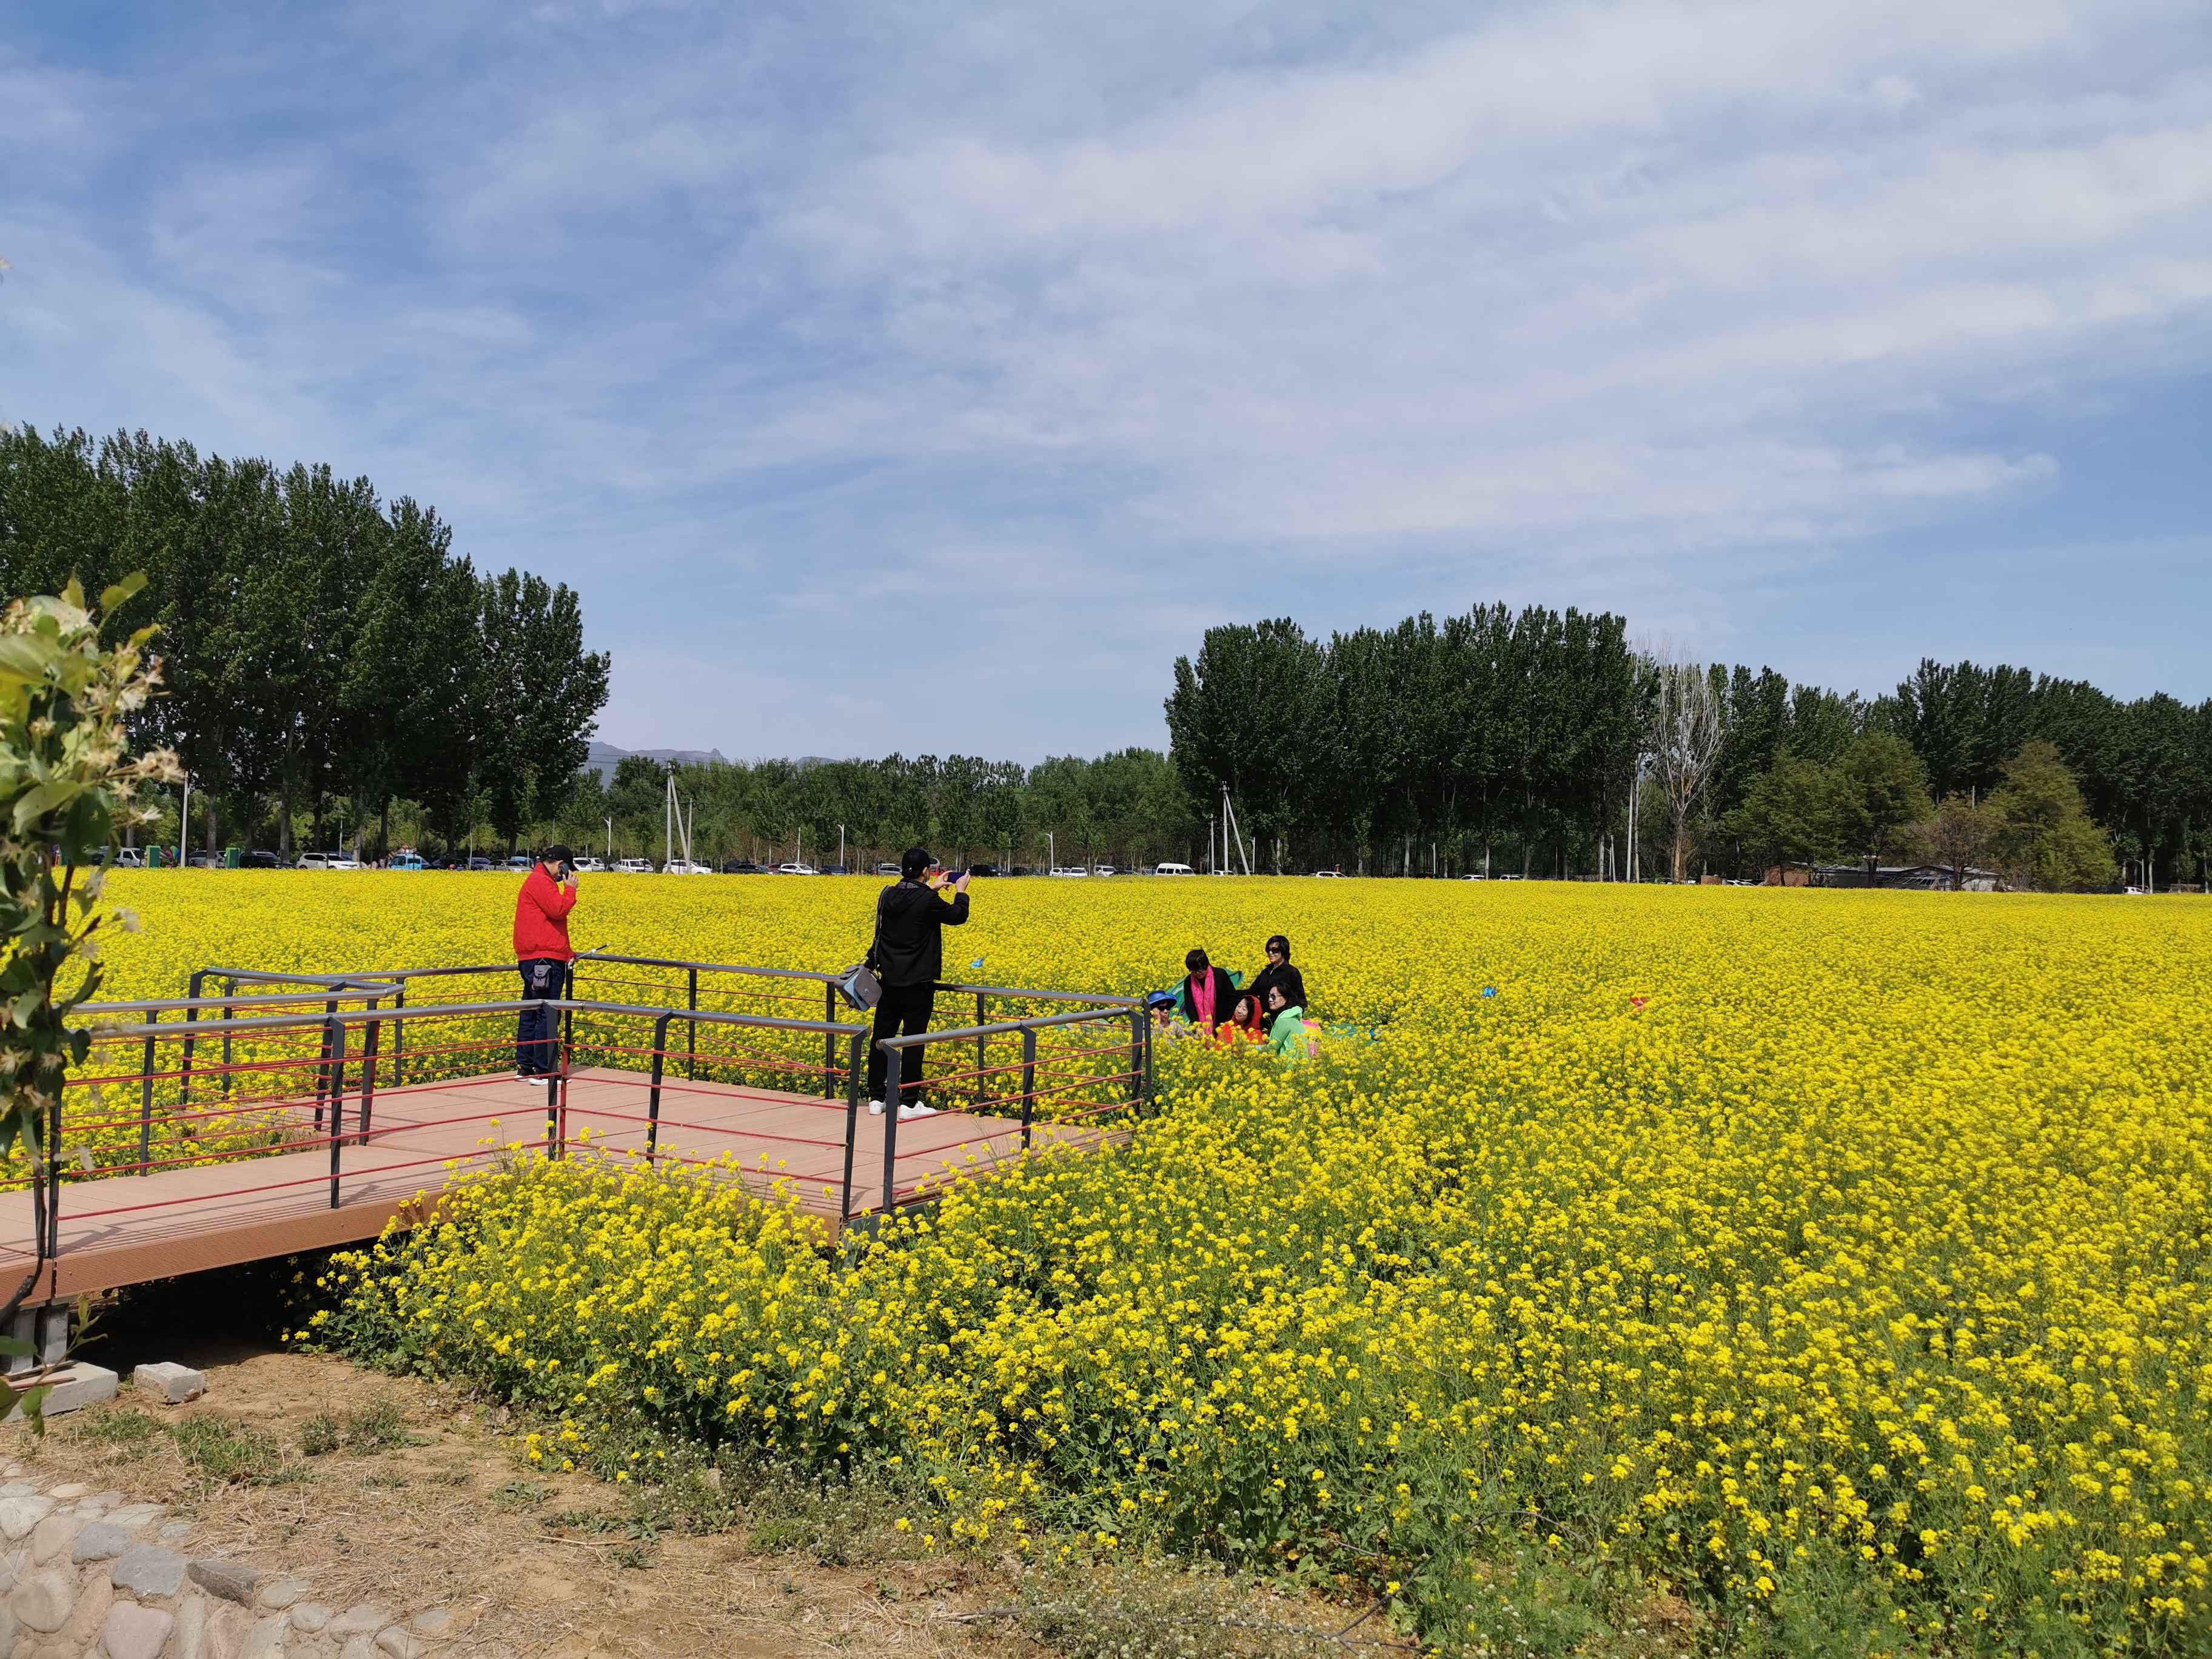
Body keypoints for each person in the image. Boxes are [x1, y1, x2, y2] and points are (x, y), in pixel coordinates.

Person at [865, 846, 971, 1121]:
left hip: (888, 982)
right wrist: (961, 889)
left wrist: (931, 888)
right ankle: (909, 1102)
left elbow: (910, 904)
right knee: (914, 1041)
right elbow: (957, 916)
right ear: (927, 871)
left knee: (881, 1039)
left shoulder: (887, 894)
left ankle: (876, 1098)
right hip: (917, 984)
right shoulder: (927, 900)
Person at [512, 843, 578, 1085]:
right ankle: (544, 1071)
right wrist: (570, 890)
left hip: (538, 958)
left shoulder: (538, 880)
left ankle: (526, 1068)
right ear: (562, 865)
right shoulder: (541, 882)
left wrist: (567, 951)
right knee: (546, 1012)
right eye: (566, 870)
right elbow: (558, 910)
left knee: (532, 1011)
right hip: (544, 960)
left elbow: (547, 924)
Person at [1247, 934, 1308, 1017]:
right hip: (1262, 1019)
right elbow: (1252, 992)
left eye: (1274, 950)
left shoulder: (1291, 972)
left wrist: (1290, 1016)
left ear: (1284, 951)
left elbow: (1301, 1000)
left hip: (1281, 1020)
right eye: (1268, 950)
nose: (1270, 953)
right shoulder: (1266, 972)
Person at [1178, 948, 1237, 1033]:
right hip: (1201, 1028)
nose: (1198, 973)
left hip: (1224, 1022)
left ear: (1206, 964)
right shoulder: (1188, 981)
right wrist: (1197, 1024)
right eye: (1194, 971)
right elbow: (1189, 1005)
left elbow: (1232, 998)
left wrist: (1228, 1020)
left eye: (1200, 970)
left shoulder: (1220, 975)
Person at [1263, 982, 1309, 1061]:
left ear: (1286, 998)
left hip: (1287, 1068)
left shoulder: (1284, 1019)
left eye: (1274, 997)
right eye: (1269, 996)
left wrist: (1248, 1048)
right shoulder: (1294, 1016)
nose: (1270, 1000)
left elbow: (1271, 1049)